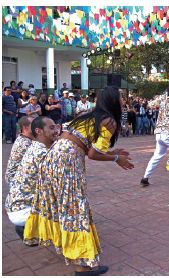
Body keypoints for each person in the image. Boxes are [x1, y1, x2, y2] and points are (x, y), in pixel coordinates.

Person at [23, 87, 133, 276]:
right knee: (75, 208)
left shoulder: (91, 116)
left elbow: (85, 145)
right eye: (121, 97)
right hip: (68, 161)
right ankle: (82, 266)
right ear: (114, 101)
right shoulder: (109, 121)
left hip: (54, 157)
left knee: (62, 205)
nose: (123, 100)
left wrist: (112, 153)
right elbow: (92, 154)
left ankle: (66, 247)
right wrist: (116, 159)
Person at [5, 117, 59, 237]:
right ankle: (31, 231)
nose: (56, 130)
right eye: (51, 128)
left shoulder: (33, 144)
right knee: (67, 206)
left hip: (16, 198)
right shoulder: (30, 146)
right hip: (19, 204)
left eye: (56, 127)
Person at [5, 116, 34, 186]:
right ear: (26, 128)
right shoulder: (24, 143)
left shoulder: (25, 138)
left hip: (19, 175)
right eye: (34, 124)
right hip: (15, 178)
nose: (38, 126)